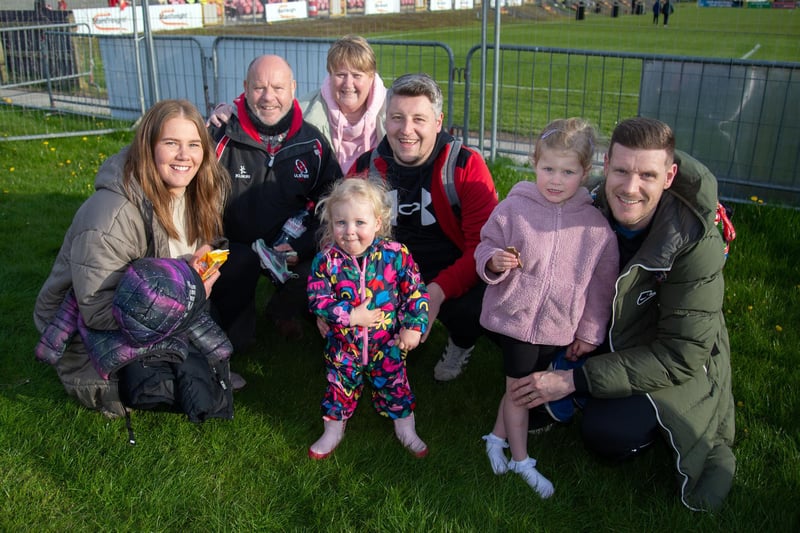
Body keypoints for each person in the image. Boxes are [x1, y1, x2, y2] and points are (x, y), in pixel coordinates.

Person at [510, 117, 735, 511]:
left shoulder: (695, 239)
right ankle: (571, 389)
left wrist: (574, 381)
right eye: (621, 171)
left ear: (669, 176)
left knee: (607, 435)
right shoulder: (590, 202)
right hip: (604, 334)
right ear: (606, 163)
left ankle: (591, 401)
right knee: (521, 394)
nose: (630, 188)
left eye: (647, 175)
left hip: (665, 355)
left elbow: (683, 354)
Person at [34, 99, 233, 419]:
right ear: (148, 147)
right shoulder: (113, 215)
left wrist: (204, 256)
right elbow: (97, 309)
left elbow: (195, 247)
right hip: (90, 327)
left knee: (203, 387)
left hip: (153, 307)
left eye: (194, 144)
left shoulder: (198, 188)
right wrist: (186, 299)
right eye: (171, 143)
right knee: (156, 387)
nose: (185, 156)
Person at [477, 119, 618, 499]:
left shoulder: (595, 227)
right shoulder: (514, 208)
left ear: (586, 173)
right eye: (548, 169)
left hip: (558, 326)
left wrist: (589, 332)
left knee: (519, 386)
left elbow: (601, 286)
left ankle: (495, 438)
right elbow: (486, 243)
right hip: (514, 319)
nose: (556, 179)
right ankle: (522, 460)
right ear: (534, 163)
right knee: (522, 390)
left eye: (568, 171)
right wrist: (493, 261)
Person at [348, 73, 499, 382]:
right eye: (397, 118)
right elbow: (341, 237)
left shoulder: (464, 166)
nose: (407, 130)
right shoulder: (365, 168)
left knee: (479, 303)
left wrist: (436, 293)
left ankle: (461, 339)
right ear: (385, 120)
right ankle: (373, 343)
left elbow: (483, 247)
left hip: (450, 270)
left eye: (419, 119)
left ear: (438, 121)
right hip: (390, 273)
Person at [207, 54, 342, 350]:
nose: (269, 97)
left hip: (287, 246)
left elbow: (334, 208)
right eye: (259, 88)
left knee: (327, 268)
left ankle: (282, 308)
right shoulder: (218, 134)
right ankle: (234, 319)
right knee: (236, 345)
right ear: (244, 87)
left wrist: (302, 246)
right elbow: (195, 201)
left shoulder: (313, 143)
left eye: (278, 88)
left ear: (293, 88)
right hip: (235, 248)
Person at [306, 178, 430, 459]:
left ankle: (406, 429)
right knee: (339, 387)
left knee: (395, 385)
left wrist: (414, 326)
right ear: (331, 223)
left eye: (360, 223)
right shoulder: (326, 261)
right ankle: (333, 430)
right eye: (341, 223)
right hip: (343, 348)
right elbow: (317, 298)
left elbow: (416, 292)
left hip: (387, 344)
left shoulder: (396, 256)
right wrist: (350, 316)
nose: (350, 232)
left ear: (378, 222)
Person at [209, 35, 386, 175]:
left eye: (357, 75)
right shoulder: (305, 110)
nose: (348, 84)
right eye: (340, 74)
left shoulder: (393, 112)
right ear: (330, 76)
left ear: (371, 77)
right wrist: (232, 110)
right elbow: (269, 104)